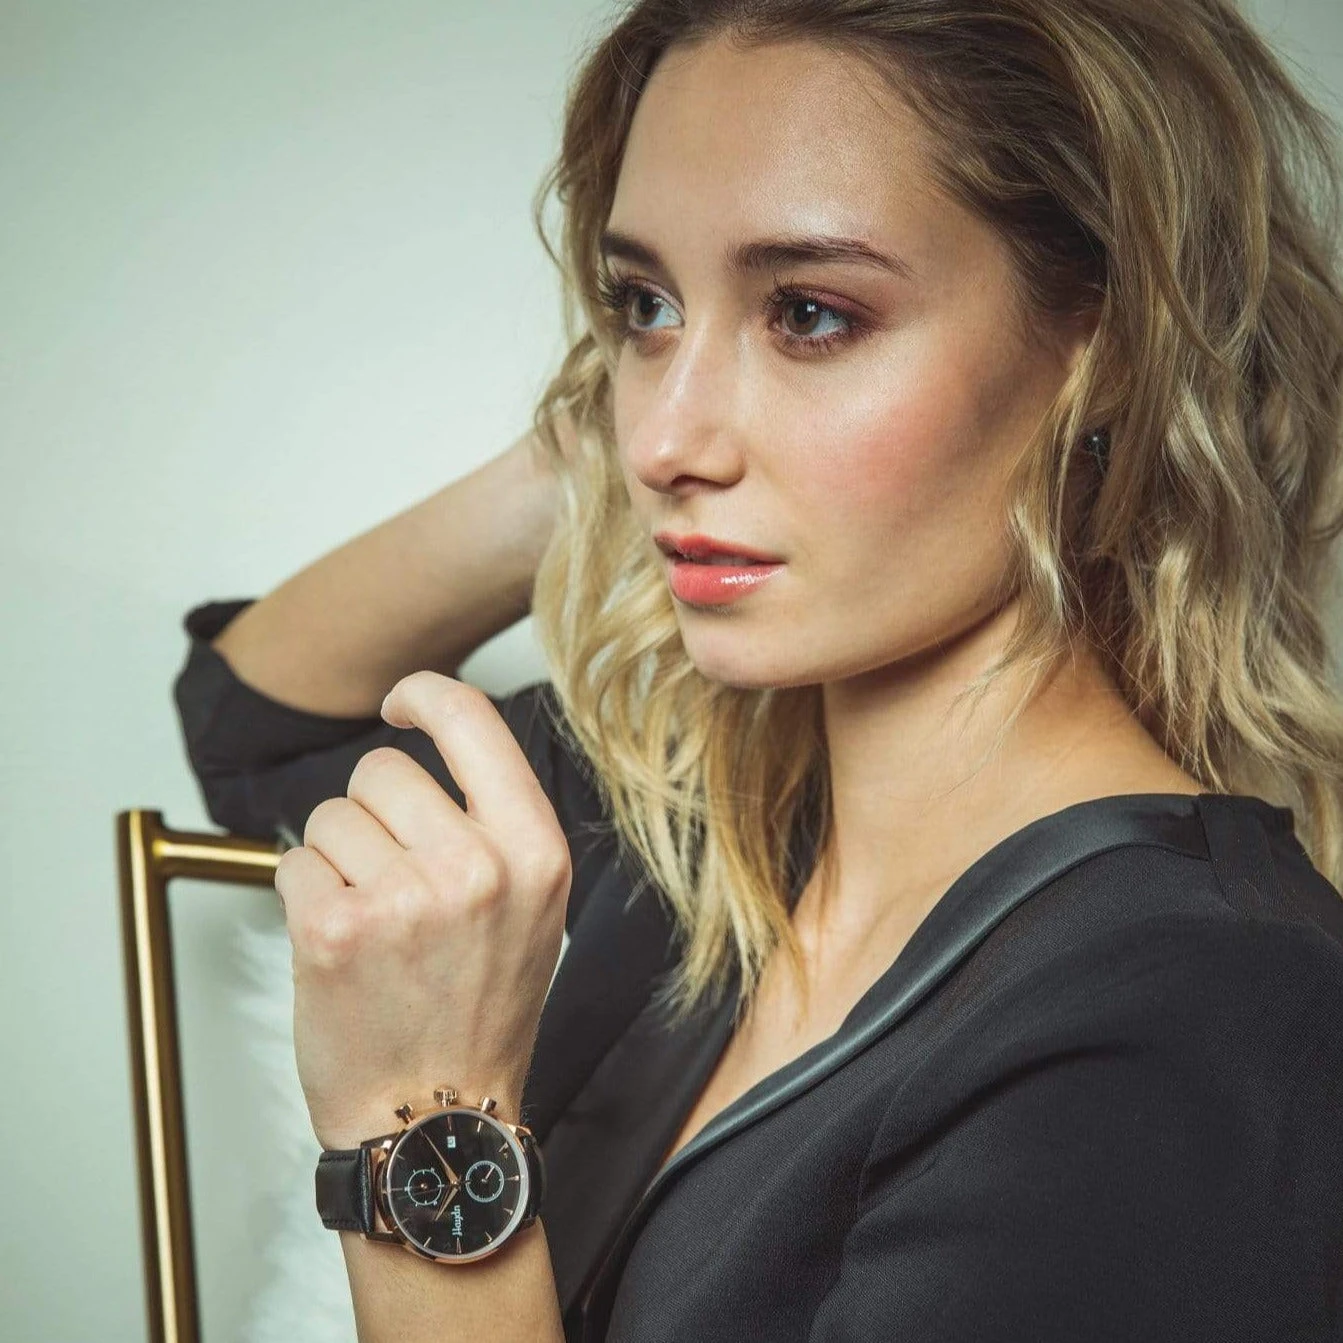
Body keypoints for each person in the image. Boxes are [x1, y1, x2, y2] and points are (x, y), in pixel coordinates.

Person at [171, 1, 1343, 1339]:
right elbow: (255, 728)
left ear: (1108, 352)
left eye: (812, 313)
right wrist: (601, 429)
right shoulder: (677, 813)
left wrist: (426, 1128)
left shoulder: (1199, 1015)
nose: (664, 440)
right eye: (642, 303)